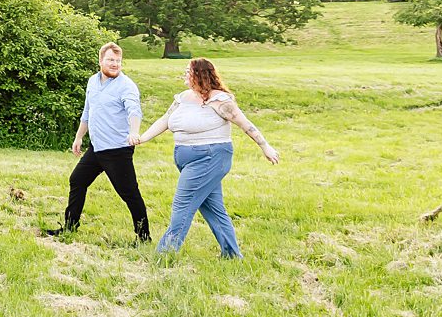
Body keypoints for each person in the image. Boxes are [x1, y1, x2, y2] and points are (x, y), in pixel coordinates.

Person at [132, 58, 279, 258]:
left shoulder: (220, 100)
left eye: (188, 71)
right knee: (213, 208)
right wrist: (142, 138)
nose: (184, 74)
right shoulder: (183, 97)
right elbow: (165, 120)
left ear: (200, 74)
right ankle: (232, 255)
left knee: (182, 205)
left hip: (210, 158)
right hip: (187, 158)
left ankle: (164, 256)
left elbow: (245, 124)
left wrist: (265, 146)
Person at [44, 42, 151, 241]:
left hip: (118, 150)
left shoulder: (126, 86)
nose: (115, 64)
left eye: (118, 61)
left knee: (129, 194)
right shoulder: (93, 81)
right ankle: (70, 226)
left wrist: (134, 132)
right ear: (100, 60)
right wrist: (78, 137)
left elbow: (134, 111)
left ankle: (144, 237)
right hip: (97, 148)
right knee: (77, 180)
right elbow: (87, 111)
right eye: (111, 59)